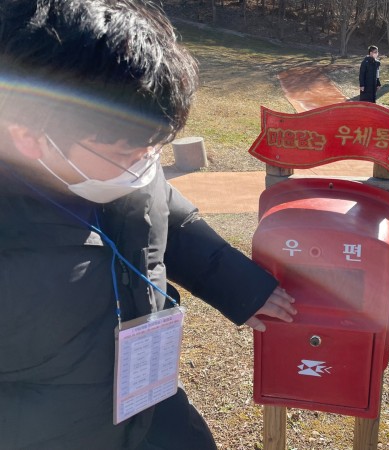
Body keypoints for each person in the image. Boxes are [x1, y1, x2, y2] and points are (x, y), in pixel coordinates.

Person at [0, 2, 297, 449]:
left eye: (155, 147)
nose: (144, 165)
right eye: (126, 154)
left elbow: (163, 215)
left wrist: (238, 285)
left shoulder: (123, 152)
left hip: (151, 406)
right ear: (27, 131)